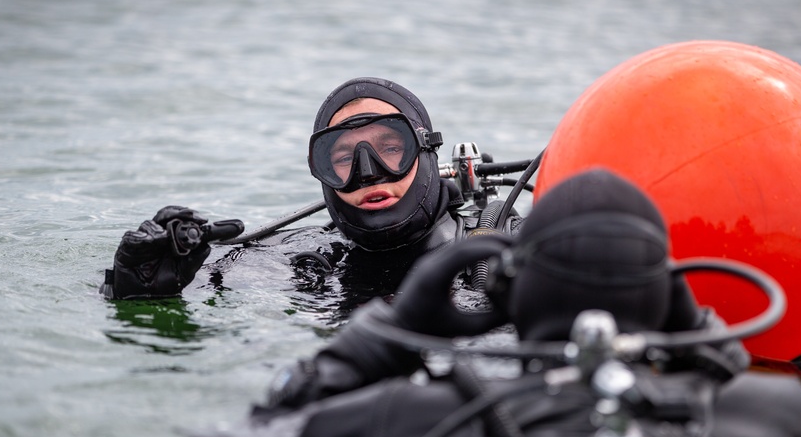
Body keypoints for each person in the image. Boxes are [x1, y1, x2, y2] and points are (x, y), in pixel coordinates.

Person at [253, 169, 801, 437]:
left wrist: (395, 329)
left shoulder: (403, 419)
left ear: (507, 296)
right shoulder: (780, 412)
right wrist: (694, 334)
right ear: (666, 299)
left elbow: (273, 429)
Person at [101, 77, 525, 310]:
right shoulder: (307, 256)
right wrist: (135, 293)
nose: (369, 173)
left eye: (391, 149)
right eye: (344, 158)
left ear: (426, 150)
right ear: (321, 172)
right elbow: (213, 297)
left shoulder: (498, 243)